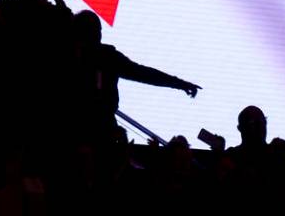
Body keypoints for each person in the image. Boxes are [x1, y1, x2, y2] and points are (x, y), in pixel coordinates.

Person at [69, 9, 199, 147]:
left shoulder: (103, 56)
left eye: (99, 30)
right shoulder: (106, 57)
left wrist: (179, 84)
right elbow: (143, 74)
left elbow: (144, 73)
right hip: (97, 128)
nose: (99, 35)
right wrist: (179, 84)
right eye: (96, 30)